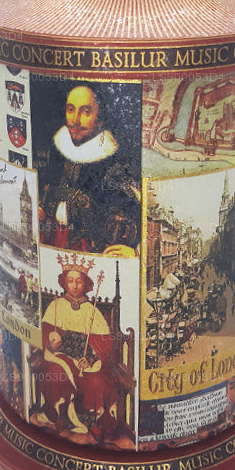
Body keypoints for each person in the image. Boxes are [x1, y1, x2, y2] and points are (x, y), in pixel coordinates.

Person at [29, 256, 135, 448]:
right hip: (59, 357)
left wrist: (91, 358)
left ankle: (89, 424)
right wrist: (51, 344)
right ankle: (57, 416)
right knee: (54, 372)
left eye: (79, 281)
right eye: (70, 280)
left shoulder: (91, 310)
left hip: (86, 361)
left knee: (97, 381)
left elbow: (104, 343)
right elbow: (45, 333)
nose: (75, 285)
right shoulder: (55, 306)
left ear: (85, 284)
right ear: (64, 282)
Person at [37, 85, 139, 256]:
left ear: (100, 119)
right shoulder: (56, 149)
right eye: (71, 110)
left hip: (91, 247)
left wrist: (133, 250)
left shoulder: (116, 162)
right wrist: (39, 207)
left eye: (86, 112)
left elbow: (132, 213)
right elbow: (45, 186)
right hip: (52, 238)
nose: (75, 120)